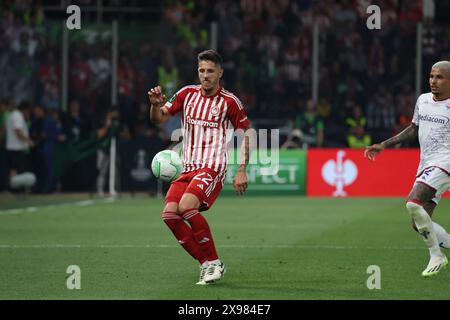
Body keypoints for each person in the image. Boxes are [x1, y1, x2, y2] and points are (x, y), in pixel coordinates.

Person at [148, 49, 251, 285]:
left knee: (186, 207)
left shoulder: (229, 102)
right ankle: (206, 264)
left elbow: (247, 134)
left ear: (220, 73)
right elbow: (159, 118)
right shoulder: (186, 94)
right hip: (187, 167)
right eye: (202, 71)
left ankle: (214, 262)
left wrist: (242, 169)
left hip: (212, 167)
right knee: (169, 215)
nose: (205, 75)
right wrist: (154, 106)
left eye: (210, 71)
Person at [365, 61, 450, 277]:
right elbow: (414, 129)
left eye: (439, 77)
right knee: (419, 223)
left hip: (445, 163)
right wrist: (384, 144)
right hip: (426, 164)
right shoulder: (423, 100)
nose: (433, 81)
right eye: (431, 76)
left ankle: (436, 255)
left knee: (413, 202)